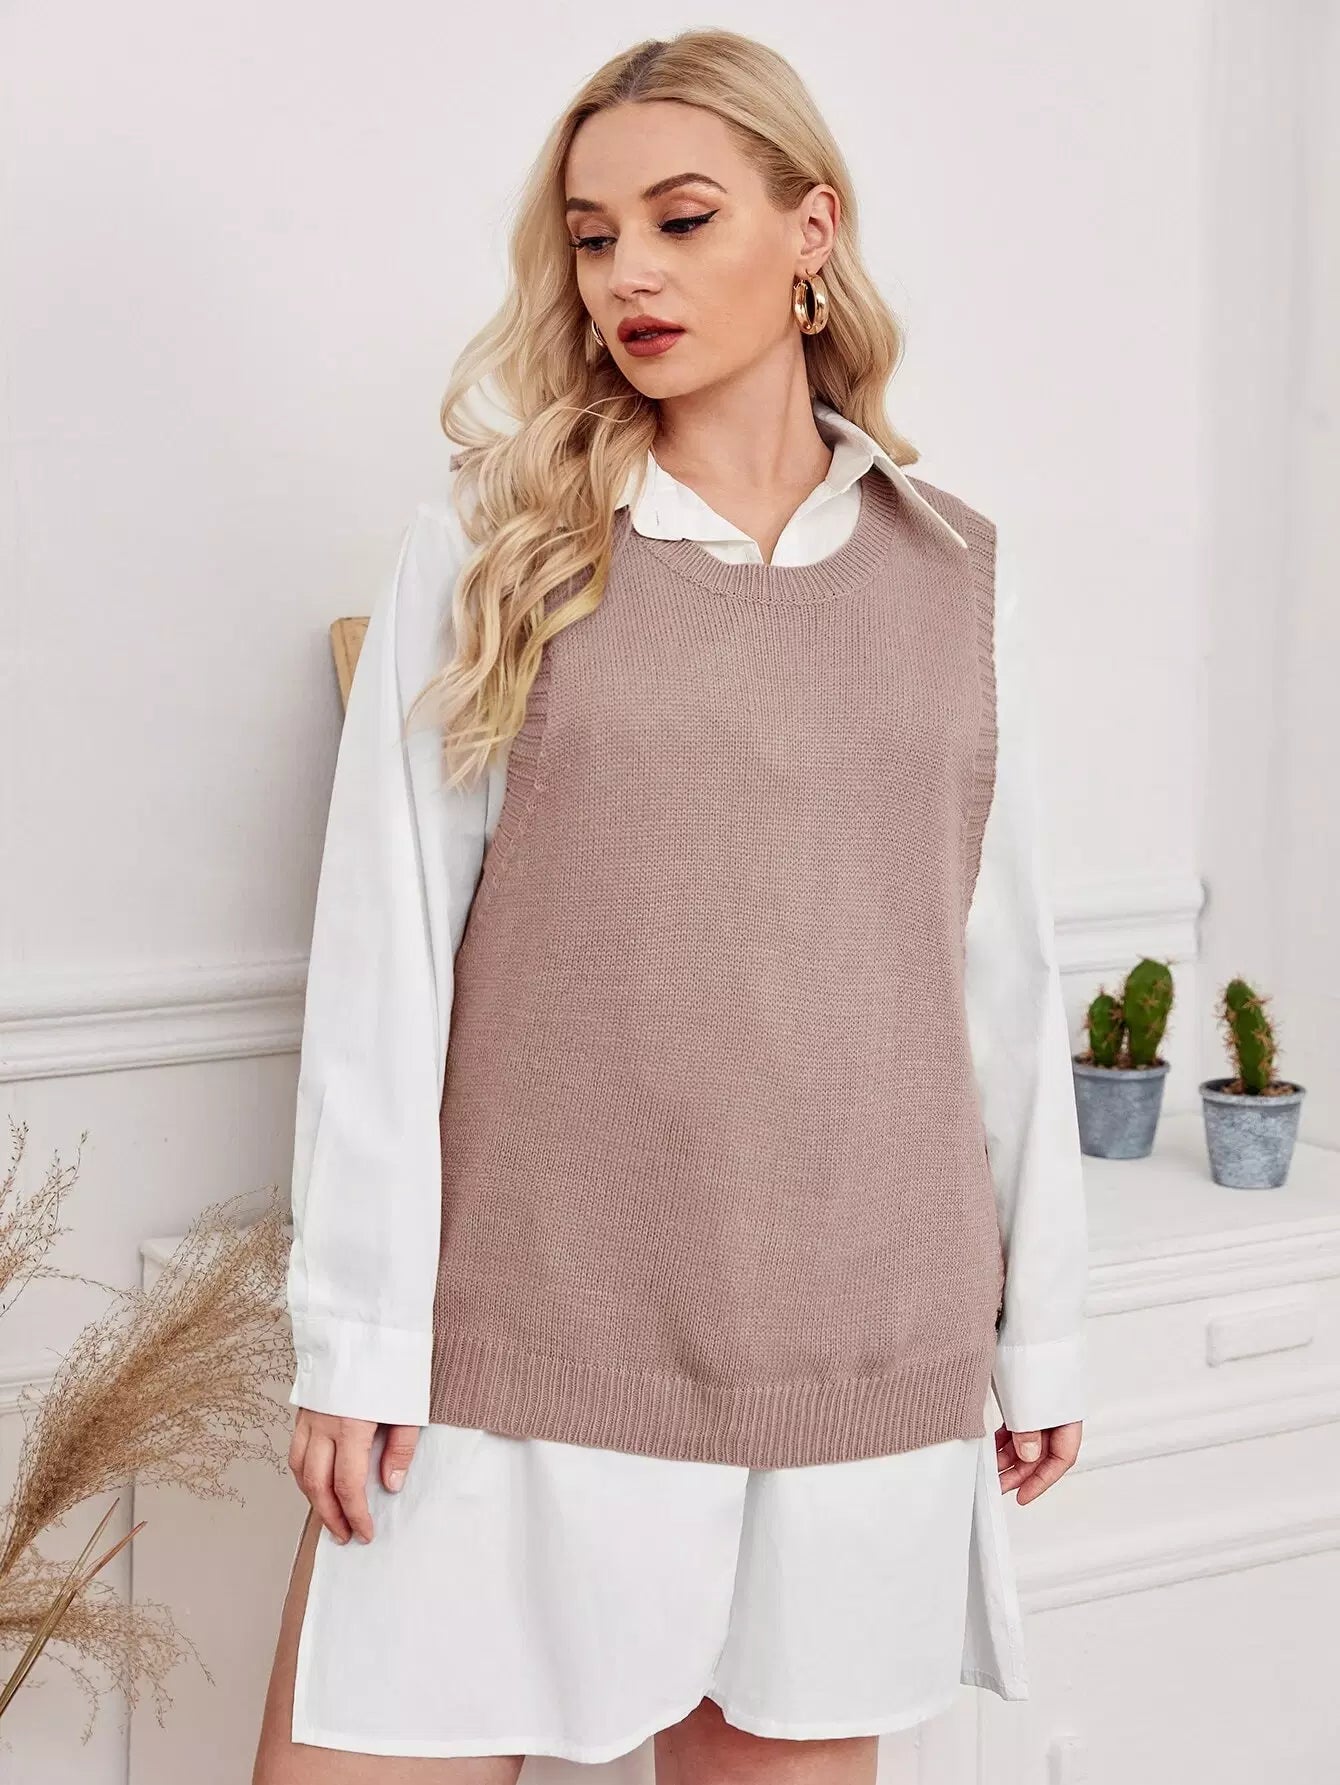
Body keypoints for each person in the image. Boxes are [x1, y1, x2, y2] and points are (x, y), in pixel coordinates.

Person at [252, 26, 1088, 1785]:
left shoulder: (951, 573)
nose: (628, 271)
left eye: (682, 219)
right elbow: (387, 963)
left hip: (851, 1356)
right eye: (592, 235)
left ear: (810, 231)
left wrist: (1045, 1337)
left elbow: (997, 985)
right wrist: (358, 1335)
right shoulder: (498, 549)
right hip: (520, 1344)